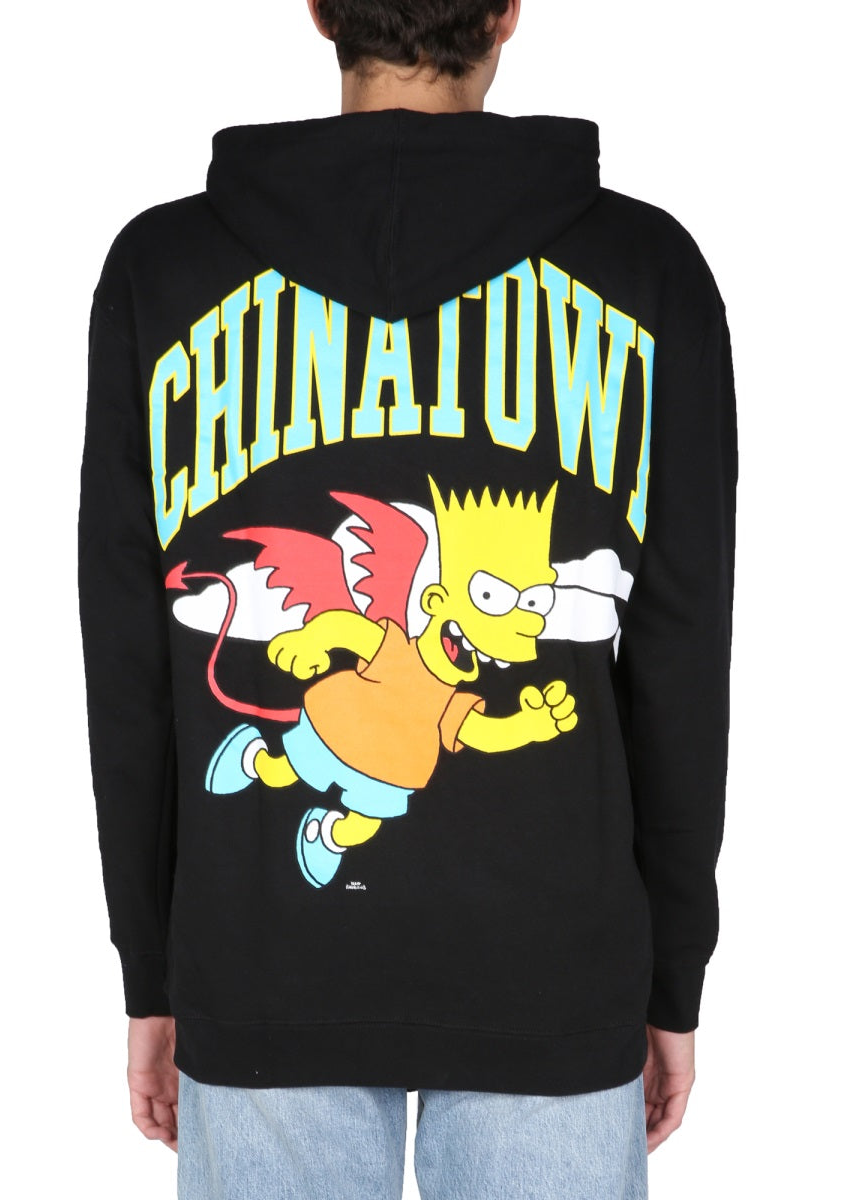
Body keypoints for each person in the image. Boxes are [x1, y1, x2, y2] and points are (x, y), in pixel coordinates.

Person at [77, 0, 738, 1195]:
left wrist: (154, 970)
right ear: (507, 13)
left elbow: (125, 663)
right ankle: (282, 765)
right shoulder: (650, 275)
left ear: (321, 9)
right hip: (555, 974)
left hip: (259, 966)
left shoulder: (164, 272)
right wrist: (671, 979)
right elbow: (683, 666)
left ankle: (288, 778)